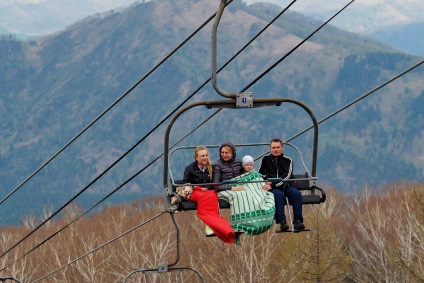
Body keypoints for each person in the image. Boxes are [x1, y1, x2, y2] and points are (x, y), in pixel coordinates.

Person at [180, 146, 241, 244]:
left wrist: (207, 188)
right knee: (205, 199)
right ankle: (221, 228)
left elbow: (214, 181)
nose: (205, 158)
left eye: (206, 155)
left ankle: (219, 228)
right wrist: (196, 187)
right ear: (197, 158)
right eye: (202, 156)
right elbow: (186, 182)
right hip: (196, 192)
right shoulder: (190, 168)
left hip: (209, 191)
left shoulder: (211, 167)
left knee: (213, 196)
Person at [218, 154, 275, 235]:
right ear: (243, 166)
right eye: (247, 165)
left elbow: (260, 183)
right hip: (241, 190)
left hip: (256, 191)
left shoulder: (256, 174)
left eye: (251, 165)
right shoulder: (240, 174)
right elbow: (238, 182)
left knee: (260, 197)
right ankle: (240, 223)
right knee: (240, 197)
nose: (249, 166)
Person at [258, 138, 305, 232]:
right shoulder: (265, 159)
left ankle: (297, 221)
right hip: (274, 188)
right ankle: (282, 222)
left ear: (282, 148)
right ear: (270, 149)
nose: (276, 149)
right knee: (278, 195)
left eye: (278, 147)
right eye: (274, 147)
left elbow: (286, 176)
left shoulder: (288, 160)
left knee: (296, 194)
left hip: (286, 186)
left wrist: (272, 184)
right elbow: (260, 174)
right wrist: (265, 181)